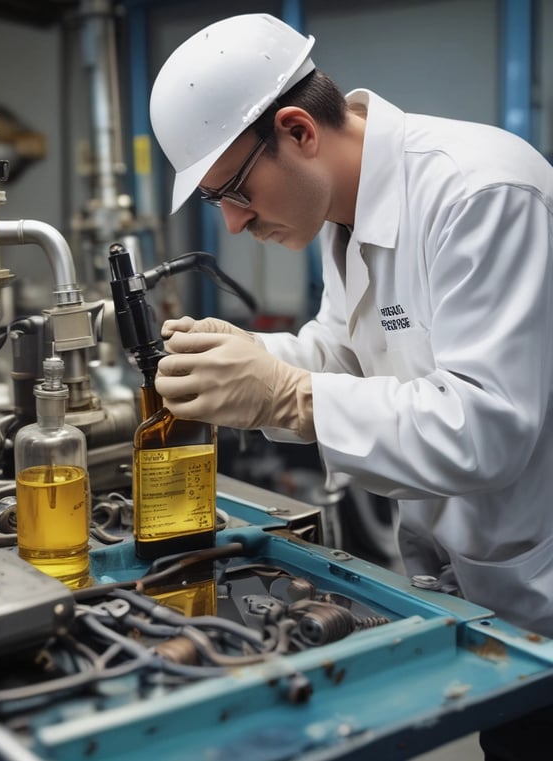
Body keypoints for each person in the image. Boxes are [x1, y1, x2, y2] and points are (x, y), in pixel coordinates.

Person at [148, 13, 553, 761]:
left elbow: (486, 426)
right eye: (216, 202)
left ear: (299, 130)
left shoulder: (481, 191)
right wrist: (243, 356)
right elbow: (342, 350)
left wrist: (287, 395)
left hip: (542, 598)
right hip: (485, 601)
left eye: (234, 190)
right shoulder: (344, 213)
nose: (233, 223)